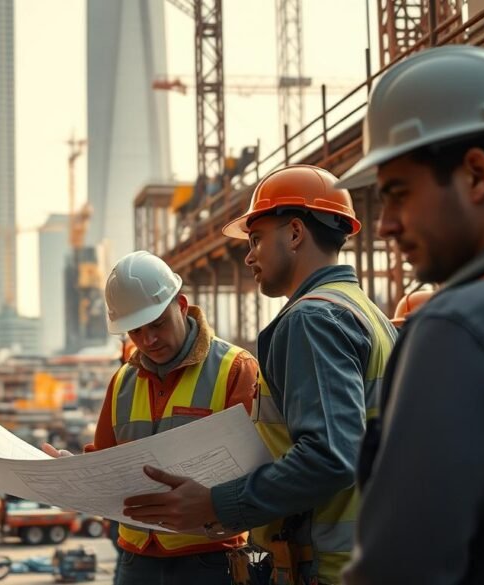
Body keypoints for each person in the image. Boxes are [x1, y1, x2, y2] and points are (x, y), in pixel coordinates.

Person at [334, 45, 484, 584]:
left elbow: (400, 569)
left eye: (397, 193)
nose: (384, 224)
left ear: (476, 174)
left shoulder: (458, 330)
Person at [124, 166, 397, 585]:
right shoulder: (368, 313)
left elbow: (330, 457)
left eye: (255, 239)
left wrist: (217, 503)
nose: (249, 256)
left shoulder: (313, 319)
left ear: (293, 233)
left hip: (323, 568)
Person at [56, 251, 258, 585]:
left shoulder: (235, 368)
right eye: (135, 331)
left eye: (158, 324)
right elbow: (105, 459)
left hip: (209, 559)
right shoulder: (123, 381)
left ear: (180, 305)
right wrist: (74, 473)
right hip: (136, 559)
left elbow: (257, 472)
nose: (148, 340)